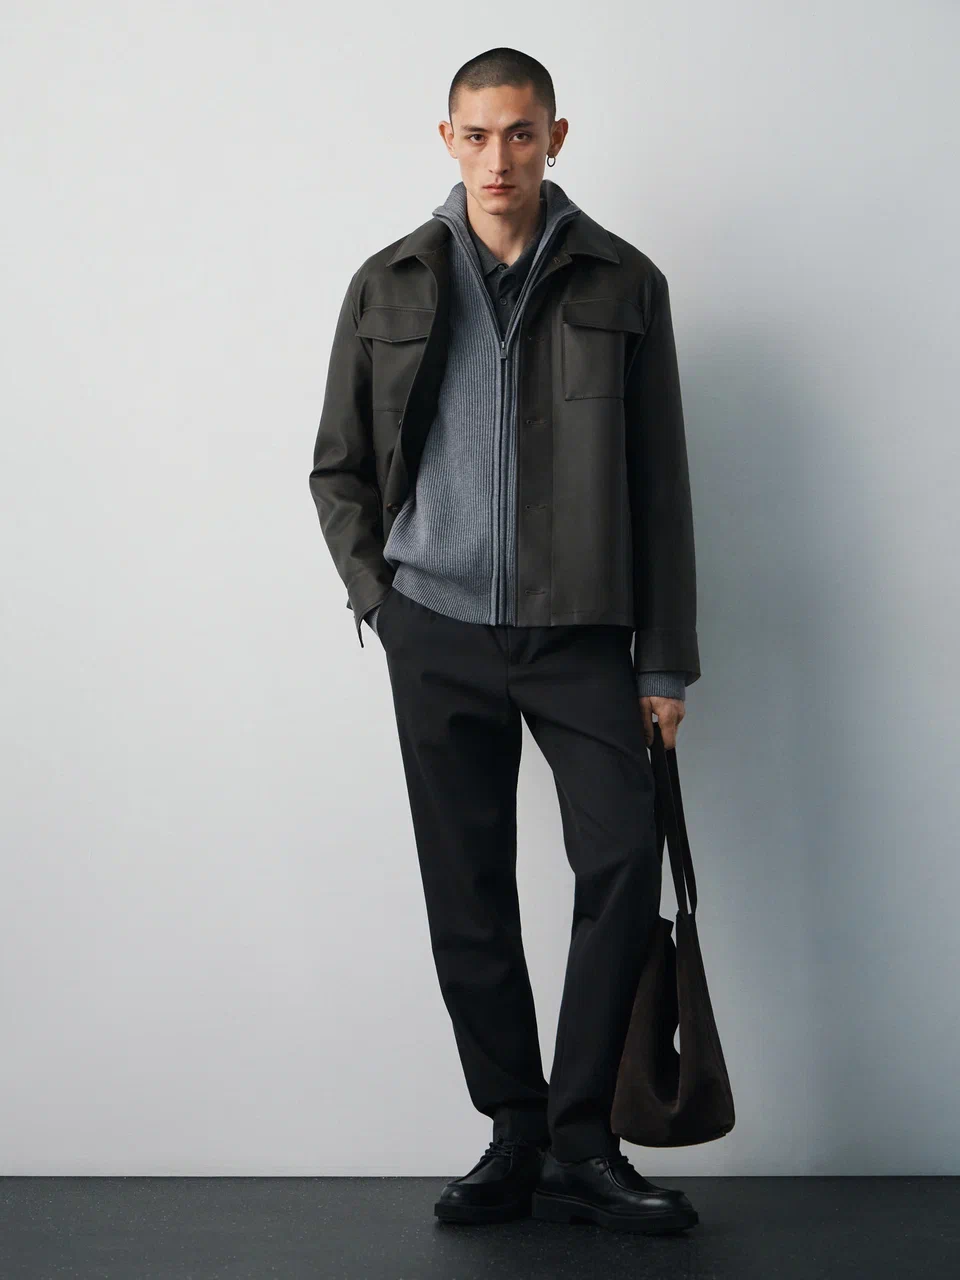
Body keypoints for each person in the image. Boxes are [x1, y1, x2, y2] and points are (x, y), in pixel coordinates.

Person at [309, 47, 701, 1235]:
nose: (498, 159)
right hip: (437, 632)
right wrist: (383, 602)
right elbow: (337, 467)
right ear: (448, 139)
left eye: (520, 134)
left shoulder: (624, 282)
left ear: (555, 138)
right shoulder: (388, 283)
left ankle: (584, 1138)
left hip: (581, 634)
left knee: (622, 860)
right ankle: (516, 1131)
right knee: (467, 888)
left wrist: (663, 660)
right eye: (477, 135)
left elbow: (660, 486)